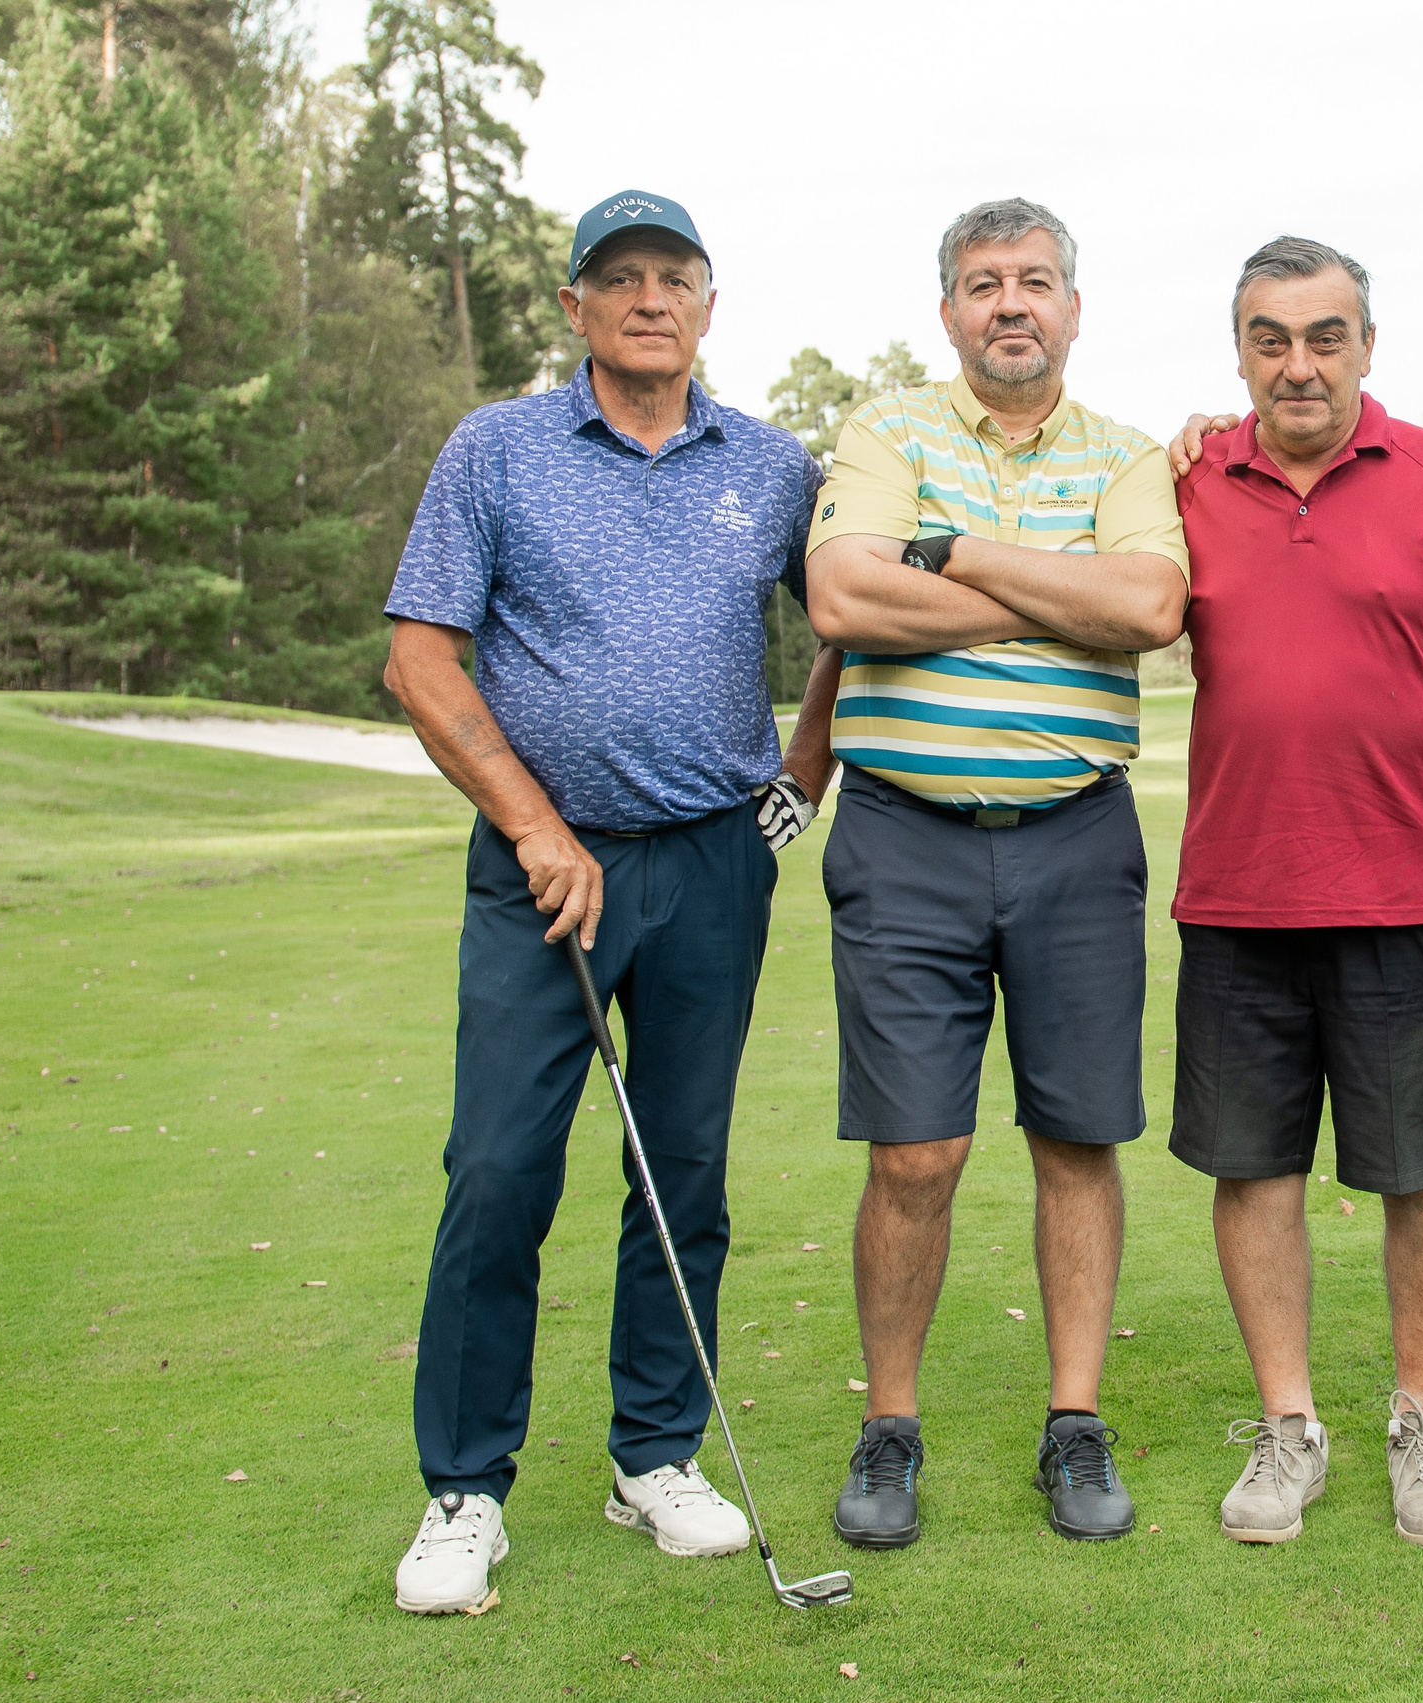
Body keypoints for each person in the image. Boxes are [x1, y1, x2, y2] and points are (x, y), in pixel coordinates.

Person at [378, 189, 840, 1615]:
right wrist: (531, 825)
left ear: (710, 308)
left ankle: (656, 1455)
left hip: (711, 861)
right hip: (541, 867)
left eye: (676, 277)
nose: (649, 298)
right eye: (619, 278)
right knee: (500, 1169)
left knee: (680, 1167)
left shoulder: (772, 467)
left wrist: (798, 774)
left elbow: (855, 617)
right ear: (573, 307)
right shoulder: (499, 448)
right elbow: (420, 659)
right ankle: (464, 1489)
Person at [802, 198, 1188, 1549]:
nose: (1009, 303)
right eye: (982, 284)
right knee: (916, 1151)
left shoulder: (1132, 456)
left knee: (1078, 1139)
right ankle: (889, 1428)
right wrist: (1052, 590)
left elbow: (1148, 611)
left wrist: (950, 557)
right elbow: (844, 601)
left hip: (1078, 839)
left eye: (1034, 282)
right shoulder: (885, 431)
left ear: (1073, 308)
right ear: (950, 310)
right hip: (904, 837)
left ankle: (1073, 1427)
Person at [1159, 238, 1423, 1547]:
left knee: (1420, 1168)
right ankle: (1288, 1430)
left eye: (1326, 334)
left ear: (1368, 346)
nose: (1299, 361)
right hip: (1239, 892)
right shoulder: (1190, 477)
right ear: (1240, 356)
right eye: (1270, 337)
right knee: (1251, 1168)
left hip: (1402, 894)